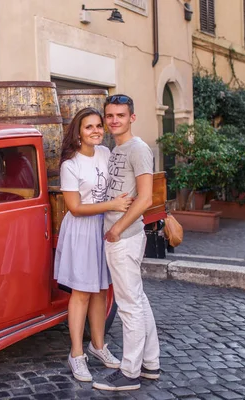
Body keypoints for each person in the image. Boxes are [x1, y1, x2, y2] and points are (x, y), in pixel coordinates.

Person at [54, 107, 133, 383]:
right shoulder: (70, 164)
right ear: (78, 132)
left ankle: (97, 346)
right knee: (82, 292)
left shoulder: (105, 154)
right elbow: (74, 207)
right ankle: (76, 354)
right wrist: (112, 205)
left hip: (103, 226)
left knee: (101, 289)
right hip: (82, 230)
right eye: (89, 127)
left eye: (99, 126)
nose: (97, 131)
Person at [92, 94, 160, 392]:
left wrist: (117, 229)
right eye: (110, 115)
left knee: (129, 305)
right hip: (119, 234)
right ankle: (150, 363)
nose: (114, 120)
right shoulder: (113, 149)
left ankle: (130, 373)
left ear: (132, 117)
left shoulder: (138, 149)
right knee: (139, 300)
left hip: (125, 237)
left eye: (120, 115)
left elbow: (146, 197)